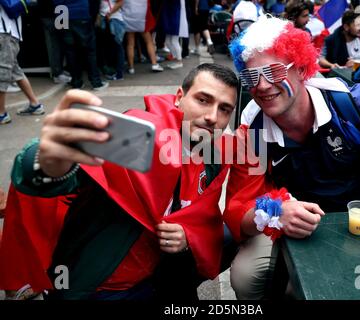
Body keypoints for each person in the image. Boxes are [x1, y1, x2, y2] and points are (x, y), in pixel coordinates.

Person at [0, 63, 238, 299]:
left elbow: (203, 216)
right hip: (102, 286)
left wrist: (188, 235)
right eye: (203, 100)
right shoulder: (139, 137)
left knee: (235, 235)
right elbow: (59, 173)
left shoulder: (212, 156)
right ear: (179, 98)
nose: (212, 117)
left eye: (225, 109)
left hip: (158, 272)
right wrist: (47, 159)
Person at [226, 15, 360, 300]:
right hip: (296, 227)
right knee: (247, 278)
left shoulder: (351, 104)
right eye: (252, 77)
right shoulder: (252, 129)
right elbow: (241, 206)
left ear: (302, 68)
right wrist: (277, 212)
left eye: (274, 72)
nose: (263, 86)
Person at [0, 4, 45, 125]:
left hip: (5, 33)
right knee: (15, 71)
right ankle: (35, 104)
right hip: (10, 34)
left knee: (2, 73)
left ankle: (1, 114)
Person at [54, 0, 109, 91]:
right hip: (80, 13)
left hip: (61, 16)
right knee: (89, 50)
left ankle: (76, 82)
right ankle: (96, 82)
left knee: (70, 51)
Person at [122, 0, 164, 73]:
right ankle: (154, 64)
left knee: (130, 44)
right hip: (141, 17)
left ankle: (131, 68)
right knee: (149, 41)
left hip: (128, 16)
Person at [97, 0, 126, 81]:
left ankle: (119, 74)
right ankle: (115, 72)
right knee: (112, 47)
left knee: (118, 47)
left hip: (114, 20)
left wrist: (109, 13)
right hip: (107, 19)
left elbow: (120, 2)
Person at [160, 0, 188, 69]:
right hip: (172, 18)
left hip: (175, 19)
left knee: (174, 41)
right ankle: (176, 59)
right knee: (168, 42)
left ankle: (179, 61)